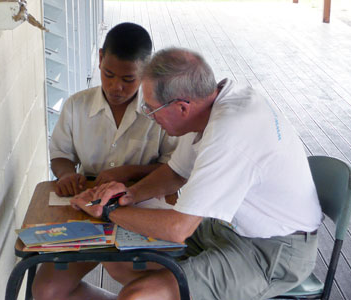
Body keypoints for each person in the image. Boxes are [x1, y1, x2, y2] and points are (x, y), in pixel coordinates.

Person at [72, 47, 323, 300]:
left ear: (182, 107)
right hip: (228, 229)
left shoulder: (229, 133)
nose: (149, 117)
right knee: (121, 262)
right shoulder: (210, 104)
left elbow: (178, 229)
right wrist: (129, 195)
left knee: (139, 296)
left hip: (275, 250)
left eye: (151, 109)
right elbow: (175, 174)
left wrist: (109, 210)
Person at [32, 23, 178, 300]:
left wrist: (130, 172)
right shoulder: (77, 105)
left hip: (141, 210)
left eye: (128, 79)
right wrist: (65, 175)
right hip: (84, 210)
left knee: (141, 285)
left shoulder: (161, 112)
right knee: (46, 291)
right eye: (108, 74)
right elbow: (61, 155)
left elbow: (174, 170)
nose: (116, 87)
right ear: (99, 58)